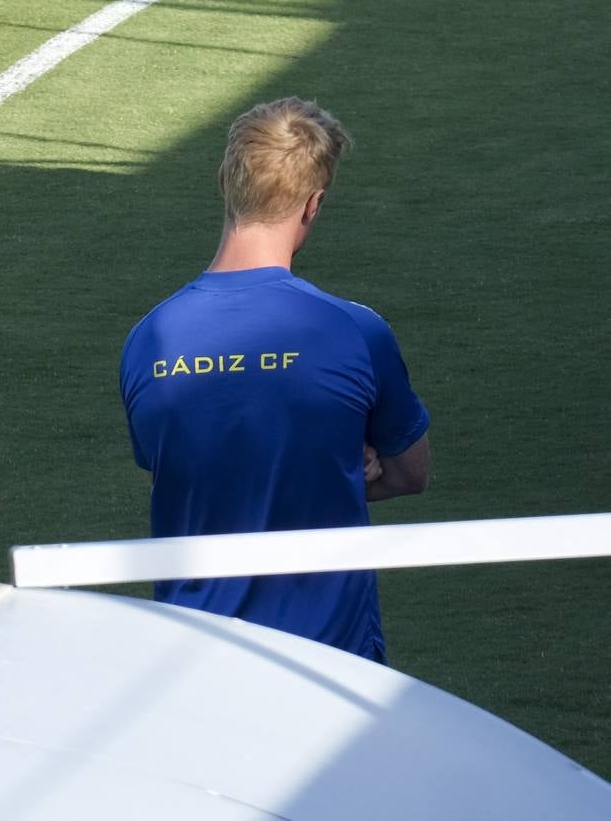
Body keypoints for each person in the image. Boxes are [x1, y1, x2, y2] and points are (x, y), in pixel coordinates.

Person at [119, 97, 430, 662]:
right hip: (331, 662)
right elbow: (411, 472)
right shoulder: (356, 331)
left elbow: (178, 473)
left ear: (226, 183)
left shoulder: (149, 340)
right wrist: (335, 470)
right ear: (312, 204)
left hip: (191, 661)